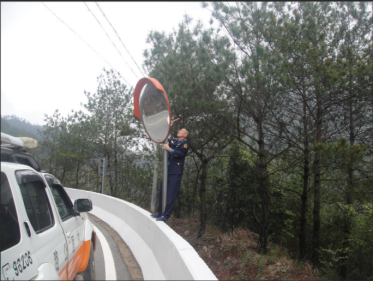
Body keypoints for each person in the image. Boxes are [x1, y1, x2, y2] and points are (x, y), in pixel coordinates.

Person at [151, 123, 189, 222]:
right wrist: (167, 126)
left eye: (181, 131)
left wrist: (169, 149)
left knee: (171, 194)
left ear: (185, 135)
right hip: (168, 170)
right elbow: (164, 138)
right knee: (162, 191)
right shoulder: (175, 141)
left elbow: (181, 154)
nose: (179, 131)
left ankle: (166, 215)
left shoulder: (185, 143)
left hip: (175, 172)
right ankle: (160, 213)